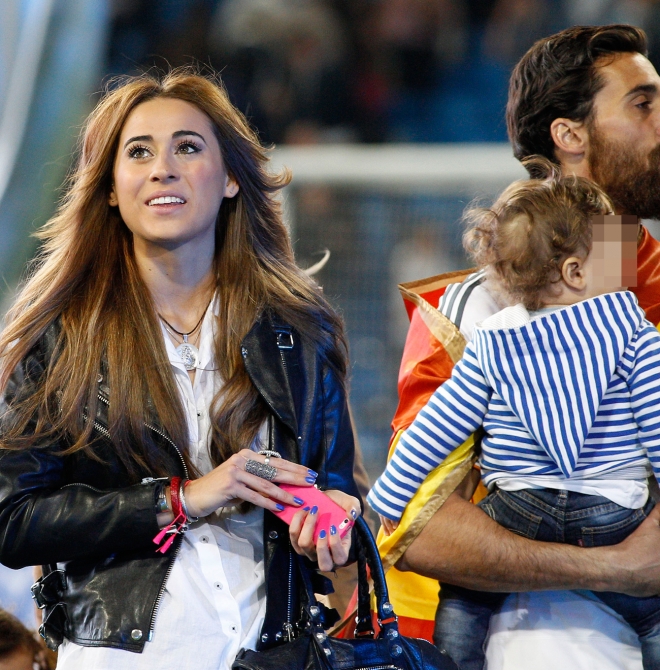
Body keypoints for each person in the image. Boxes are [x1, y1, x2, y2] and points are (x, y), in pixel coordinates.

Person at [0, 69, 361, 670]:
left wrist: (329, 527)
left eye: (187, 147)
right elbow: (12, 521)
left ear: (227, 180)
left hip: (276, 651)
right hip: (123, 656)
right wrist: (182, 499)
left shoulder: (298, 332)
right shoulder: (59, 338)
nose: (162, 167)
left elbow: (337, 488)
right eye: (138, 152)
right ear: (112, 188)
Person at [379, 24, 660, 668]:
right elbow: (414, 525)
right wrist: (618, 567)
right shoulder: (466, 314)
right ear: (570, 136)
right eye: (642, 103)